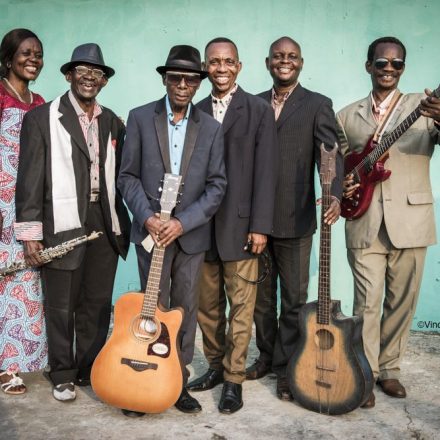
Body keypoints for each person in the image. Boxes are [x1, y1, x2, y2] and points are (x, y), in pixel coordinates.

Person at [15, 43, 131, 402]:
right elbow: (29, 181)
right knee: (61, 303)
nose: (89, 77)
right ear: (69, 75)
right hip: (60, 221)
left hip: (104, 219)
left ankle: (88, 368)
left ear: (104, 81)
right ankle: (62, 373)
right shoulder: (42, 119)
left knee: (97, 302)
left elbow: (123, 174)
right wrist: (31, 235)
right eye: (82, 70)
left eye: (97, 72)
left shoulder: (112, 121)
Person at [118, 45, 226, 415]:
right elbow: (127, 176)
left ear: (198, 84)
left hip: (190, 236)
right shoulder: (139, 118)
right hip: (151, 233)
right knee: (152, 308)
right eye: (175, 77)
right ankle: (142, 381)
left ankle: (176, 382)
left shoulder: (210, 128)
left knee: (184, 310)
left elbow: (217, 186)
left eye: (190, 79)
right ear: (165, 79)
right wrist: (148, 217)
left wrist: (182, 222)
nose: (182, 85)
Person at [337, 36, 440, 408]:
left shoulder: (424, 107)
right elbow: (342, 167)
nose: (389, 69)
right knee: (366, 303)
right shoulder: (346, 116)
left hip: (411, 219)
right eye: (382, 63)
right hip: (364, 219)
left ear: (403, 69)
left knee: (402, 302)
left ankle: (390, 368)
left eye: (397, 64)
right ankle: (365, 373)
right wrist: (344, 184)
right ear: (369, 66)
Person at [245, 36, 343, 401]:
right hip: (255, 220)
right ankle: (266, 357)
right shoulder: (252, 103)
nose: (284, 61)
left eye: (292, 57)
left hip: (296, 218)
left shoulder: (317, 104)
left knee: (293, 301)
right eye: (278, 56)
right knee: (260, 299)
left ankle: (286, 367)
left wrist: (333, 194)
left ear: (300, 63)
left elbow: (330, 153)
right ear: (268, 62)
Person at [187, 37, 278, 414]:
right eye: (214, 62)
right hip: (201, 226)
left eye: (228, 61)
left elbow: (266, 172)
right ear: (205, 68)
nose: (221, 68)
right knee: (207, 307)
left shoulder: (258, 110)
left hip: (241, 227)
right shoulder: (194, 110)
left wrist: (260, 226)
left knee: (241, 308)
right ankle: (214, 366)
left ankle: (234, 379)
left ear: (239, 66)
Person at [0, 28, 46, 395]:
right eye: (26, 53)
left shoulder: (39, 102)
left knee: (24, 280)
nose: (33, 59)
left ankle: (18, 361)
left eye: (38, 54)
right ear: (8, 57)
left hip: (27, 203)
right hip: (0, 204)